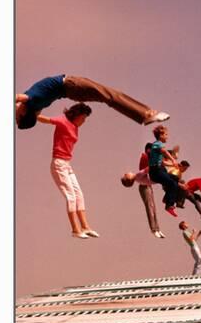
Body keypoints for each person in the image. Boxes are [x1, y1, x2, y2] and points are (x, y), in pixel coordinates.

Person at [37, 103, 99, 239]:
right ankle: (75, 230)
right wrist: (29, 113)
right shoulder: (63, 121)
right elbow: (44, 119)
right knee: (70, 196)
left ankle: (85, 227)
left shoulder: (75, 128)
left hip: (67, 164)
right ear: (76, 115)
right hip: (58, 164)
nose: (84, 121)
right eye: (83, 118)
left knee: (79, 194)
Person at [16, 74, 169, 129]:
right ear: (24, 113)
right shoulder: (32, 100)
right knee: (110, 95)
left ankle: (144, 115)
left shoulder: (36, 107)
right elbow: (17, 99)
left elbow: (32, 116)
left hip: (72, 89)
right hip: (72, 85)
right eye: (16, 116)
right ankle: (146, 114)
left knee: (109, 96)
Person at [120, 167, 165, 239]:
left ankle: (157, 229)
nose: (126, 173)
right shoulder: (137, 175)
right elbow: (148, 168)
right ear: (129, 178)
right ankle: (154, 229)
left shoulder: (137, 176)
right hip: (144, 188)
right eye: (126, 175)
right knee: (150, 208)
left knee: (153, 208)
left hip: (147, 186)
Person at [148, 125, 181, 217]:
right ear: (161, 135)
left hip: (158, 170)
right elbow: (165, 151)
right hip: (155, 172)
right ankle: (169, 205)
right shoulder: (157, 144)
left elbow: (162, 163)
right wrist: (173, 160)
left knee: (175, 178)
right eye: (166, 134)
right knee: (172, 184)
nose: (167, 136)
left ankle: (166, 198)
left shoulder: (157, 147)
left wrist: (174, 165)